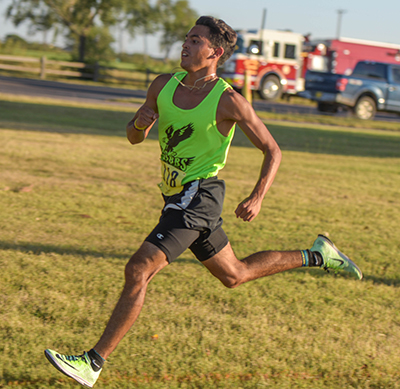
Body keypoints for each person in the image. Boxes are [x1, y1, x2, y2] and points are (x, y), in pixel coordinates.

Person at [44, 16, 363, 388]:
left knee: (138, 269)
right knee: (235, 274)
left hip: (200, 196)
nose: (185, 44)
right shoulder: (163, 85)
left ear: (216, 52)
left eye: (196, 40)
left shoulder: (228, 100)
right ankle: (319, 255)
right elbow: (134, 137)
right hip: (175, 196)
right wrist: (140, 123)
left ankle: (92, 363)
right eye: (186, 38)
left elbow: (273, 150)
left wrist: (257, 196)